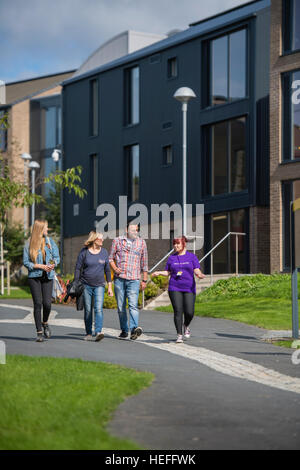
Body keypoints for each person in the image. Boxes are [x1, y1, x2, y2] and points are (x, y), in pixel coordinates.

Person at [151, 236, 205, 344]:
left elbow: (196, 270)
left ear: (184, 244)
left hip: (189, 287)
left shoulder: (192, 257)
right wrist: (159, 272)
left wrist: (199, 274)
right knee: (178, 311)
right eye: (174, 244)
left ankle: (186, 325)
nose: (176, 246)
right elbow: (168, 272)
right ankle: (179, 335)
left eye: (178, 244)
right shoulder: (172, 258)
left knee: (189, 312)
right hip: (174, 287)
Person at [109, 222, 148, 340]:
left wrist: (144, 280)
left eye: (136, 230)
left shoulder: (142, 242)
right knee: (121, 307)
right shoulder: (117, 241)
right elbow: (110, 258)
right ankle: (124, 330)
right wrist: (115, 268)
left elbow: (144, 263)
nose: (135, 232)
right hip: (119, 279)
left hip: (134, 279)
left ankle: (134, 329)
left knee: (133, 305)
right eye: (132, 230)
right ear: (126, 229)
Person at [23, 220, 60, 342]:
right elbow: (26, 262)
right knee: (38, 303)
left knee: (47, 304)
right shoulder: (28, 244)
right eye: (46, 227)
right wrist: (39, 266)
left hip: (48, 276)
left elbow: (56, 257)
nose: (47, 229)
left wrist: (51, 265)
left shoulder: (50, 242)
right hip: (34, 277)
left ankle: (45, 322)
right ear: (39, 229)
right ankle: (39, 332)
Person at [74, 231, 113, 341]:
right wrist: (76, 282)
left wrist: (110, 286)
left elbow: (107, 270)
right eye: (100, 239)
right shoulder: (84, 252)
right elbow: (78, 268)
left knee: (98, 309)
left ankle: (98, 331)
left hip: (100, 285)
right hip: (86, 285)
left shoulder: (104, 252)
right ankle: (88, 333)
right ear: (95, 240)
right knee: (88, 310)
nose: (103, 240)